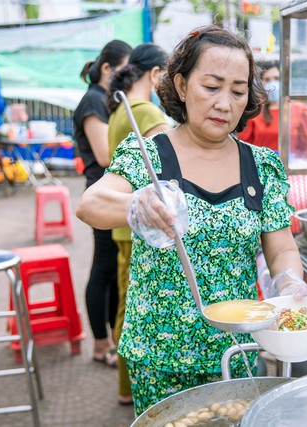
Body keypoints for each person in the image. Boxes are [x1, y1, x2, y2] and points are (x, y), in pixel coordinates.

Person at [76, 25, 307, 416]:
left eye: (238, 91)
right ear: (182, 86)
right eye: (212, 86)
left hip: (235, 351)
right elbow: (91, 204)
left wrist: (289, 281)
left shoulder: (262, 166)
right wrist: (137, 205)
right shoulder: (148, 154)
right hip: (159, 356)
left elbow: (282, 245)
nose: (225, 103)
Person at [106, 42, 170, 406]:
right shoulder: (145, 111)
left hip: (122, 223)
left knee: (124, 302)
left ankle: (124, 385)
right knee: (133, 308)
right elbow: (173, 163)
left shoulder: (120, 110)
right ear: (156, 74)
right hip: (140, 222)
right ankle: (129, 388)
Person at [73, 39, 132, 368]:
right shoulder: (93, 101)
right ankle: (99, 344)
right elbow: (104, 154)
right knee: (102, 270)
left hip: (110, 193)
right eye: (124, 70)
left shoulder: (103, 100)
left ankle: (108, 339)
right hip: (100, 195)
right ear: (108, 69)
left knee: (110, 272)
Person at [237, 60, 307, 159]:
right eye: (267, 80)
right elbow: (244, 146)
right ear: (260, 83)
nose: (273, 83)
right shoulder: (254, 111)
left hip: (291, 166)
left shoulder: (300, 110)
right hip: (261, 168)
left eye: (277, 78)